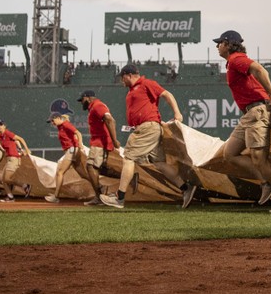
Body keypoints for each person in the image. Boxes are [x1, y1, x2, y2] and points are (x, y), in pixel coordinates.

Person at [214, 30, 271, 214]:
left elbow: (260, 70)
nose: (217, 46)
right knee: (229, 153)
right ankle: (265, 181)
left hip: (258, 111)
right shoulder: (232, 62)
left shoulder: (237, 58)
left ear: (228, 44)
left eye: (220, 42)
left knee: (260, 160)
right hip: (249, 114)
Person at [100, 63, 196, 209]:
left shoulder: (146, 83)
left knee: (128, 158)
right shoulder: (132, 90)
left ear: (128, 75)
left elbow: (167, 94)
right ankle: (185, 188)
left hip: (147, 128)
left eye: (122, 78)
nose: (122, 81)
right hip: (147, 128)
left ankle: (119, 198)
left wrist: (177, 113)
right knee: (160, 163)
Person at [77, 90, 120, 206]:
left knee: (90, 166)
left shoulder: (97, 105)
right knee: (100, 168)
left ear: (87, 97)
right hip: (100, 142)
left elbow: (110, 120)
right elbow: (110, 120)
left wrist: (114, 140)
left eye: (82, 100)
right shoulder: (95, 107)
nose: (81, 103)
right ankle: (128, 176)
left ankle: (99, 197)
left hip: (99, 142)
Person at [45, 113, 83, 203]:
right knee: (83, 173)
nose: (52, 123)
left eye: (53, 121)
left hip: (72, 150)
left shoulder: (65, 124)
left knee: (60, 172)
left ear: (58, 118)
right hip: (70, 150)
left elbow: (78, 133)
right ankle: (99, 188)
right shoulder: (60, 126)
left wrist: (80, 144)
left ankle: (56, 196)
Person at [0, 120, 31, 202]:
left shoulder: (7, 133)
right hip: (9, 159)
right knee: (2, 179)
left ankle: (25, 185)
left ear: (4, 126)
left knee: (7, 179)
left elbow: (20, 139)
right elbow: (16, 141)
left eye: (1, 125)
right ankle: (10, 197)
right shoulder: (1, 136)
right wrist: (20, 149)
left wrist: (26, 149)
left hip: (14, 158)